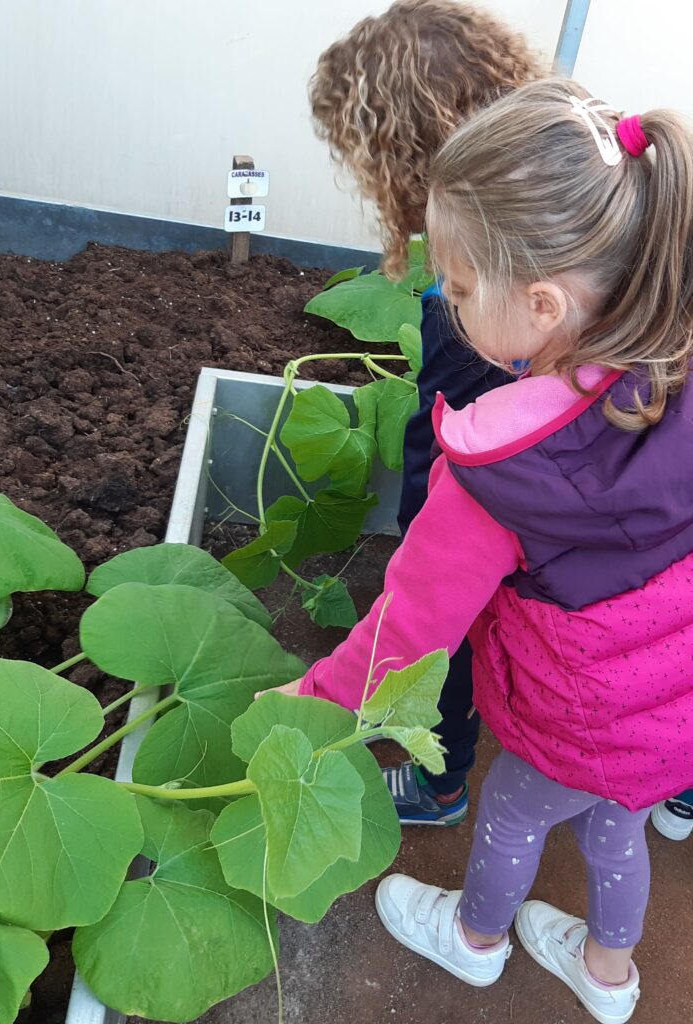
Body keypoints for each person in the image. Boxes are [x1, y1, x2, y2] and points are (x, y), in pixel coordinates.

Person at [266, 79, 693, 1023]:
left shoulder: (495, 470)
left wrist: (309, 699)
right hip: (674, 710)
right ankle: (608, 974)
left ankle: (473, 942)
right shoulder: (675, 361)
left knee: (509, 812)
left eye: (457, 290)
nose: (447, 307)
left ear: (542, 304)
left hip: (577, 721)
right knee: (615, 829)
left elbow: (406, 633)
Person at [309, 0, 542, 825]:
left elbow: (436, 543)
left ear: (404, 151)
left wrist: (320, 693)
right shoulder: (572, 178)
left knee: (441, 575)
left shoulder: (472, 306)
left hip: (494, 433)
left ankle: (439, 782)